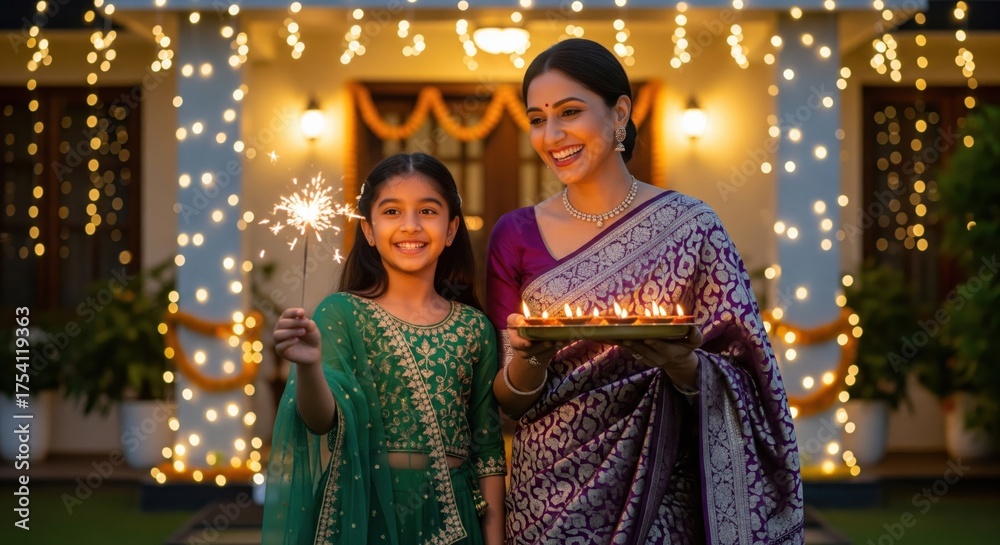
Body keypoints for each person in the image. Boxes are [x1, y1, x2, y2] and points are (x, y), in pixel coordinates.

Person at [486, 38, 803, 544]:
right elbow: (506, 401)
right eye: (537, 119)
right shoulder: (514, 234)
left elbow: (752, 378)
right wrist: (531, 360)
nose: (552, 135)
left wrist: (682, 365)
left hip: (660, 494)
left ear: (620, 113)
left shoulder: (692, 226)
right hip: (544, 503)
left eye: (570, 112)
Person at [263, 152, 506, 545]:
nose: (410, 226)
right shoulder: (342, 313)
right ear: (370, 230)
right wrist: (307, 367)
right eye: (392, 211)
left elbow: (489, 452)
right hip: (365, 509)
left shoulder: (474, 328)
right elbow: (321, 421)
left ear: (451, 229)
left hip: (456, 517)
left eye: (428, 211)